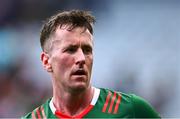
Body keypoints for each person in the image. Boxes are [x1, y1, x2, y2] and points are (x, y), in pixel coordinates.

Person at [23, 10, 160, 118]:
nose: (81, 58)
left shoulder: (132, 109)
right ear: (46, 61)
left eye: (87, 50)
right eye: (70, 50)